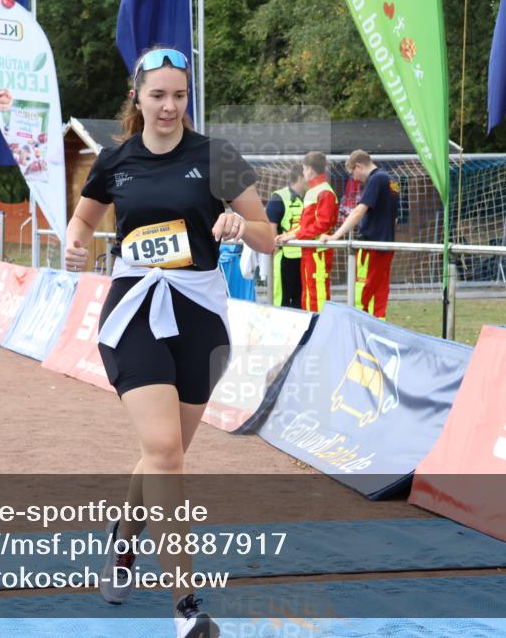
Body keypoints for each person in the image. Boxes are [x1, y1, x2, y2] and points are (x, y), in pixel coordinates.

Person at [64, 46, 273, 638]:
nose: (169, 106)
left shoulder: (216, 156)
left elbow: (270, 239)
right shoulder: (116, 159)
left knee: (163, 456)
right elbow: (83, 220)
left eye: (179, 95)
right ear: (138, 97)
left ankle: (121, 541)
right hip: (134, 312)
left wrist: (241, 224)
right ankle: (187, 608)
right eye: (158, 94)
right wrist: (75, 243)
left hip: (200, 317)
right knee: (164, 450)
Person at [321, 149, 398, 320]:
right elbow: (394, 218)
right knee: (379, 295)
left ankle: (362, 330)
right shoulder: (391, 180)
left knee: (363, 294)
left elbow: (358, 212)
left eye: (352, 173)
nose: (354, 178)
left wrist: (335, 236)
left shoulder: (376, 179)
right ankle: (377, 332)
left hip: (371, 247)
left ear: (358, 166)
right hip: (386, 247)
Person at [276, 151, 338, 311]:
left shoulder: (324, 191)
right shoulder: (315, 190)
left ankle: (320, 327)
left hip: (319, 251)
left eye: (303, 169)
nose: (303, 173)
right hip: (310, 249)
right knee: (309, 291)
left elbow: (322, 224)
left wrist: (295, 235)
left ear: (309, 169)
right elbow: (306, 223)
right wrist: (290, 234)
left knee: (317, 292)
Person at [264, 165, 306, 308]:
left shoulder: (309, 197)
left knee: (301, 301)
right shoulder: (279, 197)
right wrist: (276, 253)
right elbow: (272, 227)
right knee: (282, 301)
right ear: (300, 177)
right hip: (285, 258)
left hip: (305, 257)